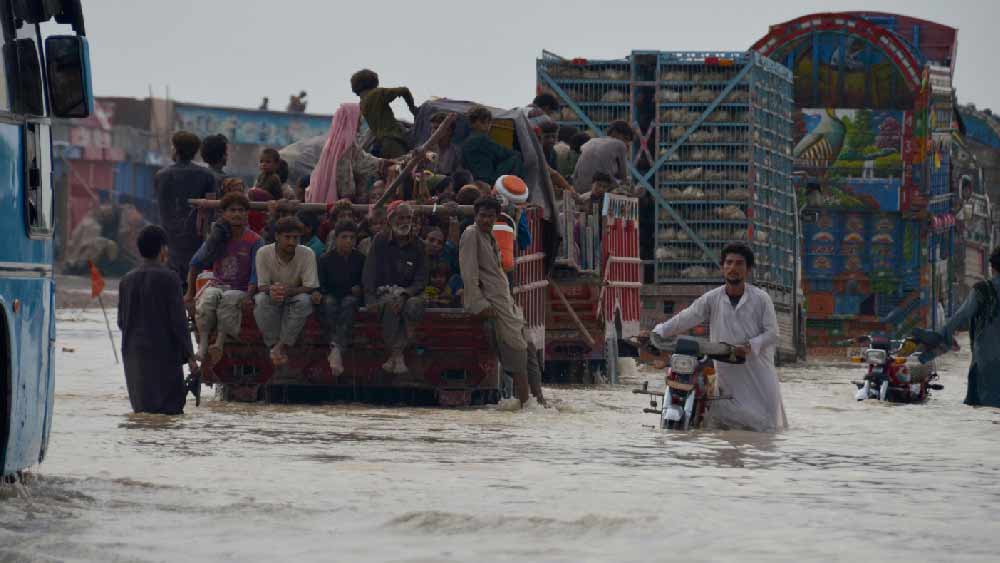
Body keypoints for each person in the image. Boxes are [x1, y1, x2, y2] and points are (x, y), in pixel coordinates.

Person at [651, 243, 786, 432]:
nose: (733, 268)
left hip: (759, 377)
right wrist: (658, 331)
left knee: (764, 433)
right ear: (722, 267)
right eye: (729, 263)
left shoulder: (761, 299)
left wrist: (749, 346)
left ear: (748, 270)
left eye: (739, 264)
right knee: (723, 431)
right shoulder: (712, 298)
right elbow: (687, 317)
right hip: (727, 376)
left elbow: (773, 333)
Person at [459, 196, 544, 407]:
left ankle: (539, 403)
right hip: (493, 306)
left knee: (530, 352)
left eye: (490, 216)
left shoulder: (490, 237)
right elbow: (469, 273)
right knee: (517, 358)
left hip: (507, 304)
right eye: (482, 216)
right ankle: (526, 406)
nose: (486, 220)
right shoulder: (471, 235)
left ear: (496, 217)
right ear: (476, 216)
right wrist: (479, 305)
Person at [117, 225, 197, 415]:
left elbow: (121, 322)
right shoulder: (170, 278)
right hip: (164, 359)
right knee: (169, 413)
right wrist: (191, 357)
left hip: (134, 358)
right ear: (162, 249)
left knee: (143, 413)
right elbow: (178, 323)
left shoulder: (126, 280)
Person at [185, 192, 263, 367]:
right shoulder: (217, 238)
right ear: (223, 214)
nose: (236, 214)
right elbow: (195, 263)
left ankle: (219, 343)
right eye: (232, 210)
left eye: (241, 210)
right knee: (207, 300)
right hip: (218, 285)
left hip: (241, 289)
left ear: (247, 214)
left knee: (229, 300)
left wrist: (250, 295)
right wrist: (190, 294)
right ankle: (204, 345)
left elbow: (256, 273)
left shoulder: (255, 240)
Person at [362, 202, 428, 374]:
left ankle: (395, 354)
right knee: (390, 303)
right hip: (385, 292)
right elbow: (369, 272)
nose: (405, 222)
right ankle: (398, 354)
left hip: (410, 294)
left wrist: (405, 294)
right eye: (400, 218)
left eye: (408, 218)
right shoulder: (380, 241)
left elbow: (422, 278)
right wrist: (369, 298)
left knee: (413, 306)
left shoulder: (419, 245)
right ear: (390, 220)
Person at [931, 247, 1000, 408]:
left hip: (986, 362)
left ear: (992, 267)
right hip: (986, 361)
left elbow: (961, 316)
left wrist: (944, 336)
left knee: (983, 411)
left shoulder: (982, 290)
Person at [253, 216, 320, 366]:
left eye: (296, 237)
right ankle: (273, 345)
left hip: (295, 294)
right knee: (260, 300)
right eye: (287, 237)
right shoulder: (263, 253)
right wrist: (273, 289)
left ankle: (280, 347)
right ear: (277, 237)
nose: (292, 242)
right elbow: (262, 285)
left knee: (304, 301)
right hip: (272, 295)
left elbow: (310, 286)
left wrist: (289, 291)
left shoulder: (307, 253)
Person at [154, 131, 217, 288]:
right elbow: (211, 210)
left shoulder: (161, 175)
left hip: (169, 242)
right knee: (193, 291)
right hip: (196, 241)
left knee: (170, 291)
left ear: (175, 149)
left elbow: (163, 208)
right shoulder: (207, 176)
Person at [307, 102, 390, 203]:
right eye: (359, 118)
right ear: (351, 119)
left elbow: (362, 159)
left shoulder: (339, 142)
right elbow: (344, 176)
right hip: (340, 200)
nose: (360, 122)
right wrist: (349, 195)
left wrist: (384, 162)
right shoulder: (344, 144)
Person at [317, 220, 365, 375]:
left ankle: (337, 347)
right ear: (336, 238)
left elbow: (364, 284)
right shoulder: (325, 259)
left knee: (349, 302)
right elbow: (321, 286)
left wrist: (359, 289)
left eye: (352, 237)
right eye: (344, 237)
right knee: (330, 303)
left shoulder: (360, 259)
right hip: (331, 297)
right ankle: (335, 346)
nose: (348, 241)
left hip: (350, 299)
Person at [351, 68, 417, 158]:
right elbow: (404, 90)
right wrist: (413, 110)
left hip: (381, 145)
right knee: (405, 168)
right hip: (394, 140)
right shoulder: (376, 93)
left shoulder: (361, 104)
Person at [461, 105, 524, 185]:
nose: (488, 125)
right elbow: (503, 152)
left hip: (473, 180)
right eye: (484, 122)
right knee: (516, 158)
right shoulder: (482, 139)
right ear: (475, 123)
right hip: (489, 180)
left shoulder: (465, 143)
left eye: (488, 122)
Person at [572, 120, 633, 193]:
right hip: (597, 190)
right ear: (615, 133)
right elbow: (624, 177)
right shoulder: (620, 144)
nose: (627, 144)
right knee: (628, 183)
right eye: (625, 139)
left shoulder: (592, 141)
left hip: (577, 187)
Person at [429, 111, 463, 176]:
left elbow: (457, 173)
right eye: (432, 128)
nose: (433, 132)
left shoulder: (455, 152)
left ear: (449, 131)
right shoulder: (424, 149)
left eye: (436, 128)